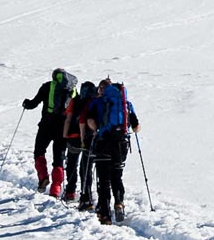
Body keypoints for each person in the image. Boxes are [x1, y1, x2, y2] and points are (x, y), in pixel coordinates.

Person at [86, 75, 140, 223]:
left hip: (103, 142)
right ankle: (119, 202)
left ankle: (105, 214)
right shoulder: (126, 104)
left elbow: (90, 122)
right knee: (117, 175)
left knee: (103, 180)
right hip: (121, 144)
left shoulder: (97, 102)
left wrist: (97, 130)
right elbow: (136, 127)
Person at [20, 68, 76, 196]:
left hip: (46, 124)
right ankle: (55, 188)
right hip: (63, 127)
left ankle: (43, 177)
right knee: (59, 157)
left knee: (39, 151)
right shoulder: (72, 90)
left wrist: (26, 104)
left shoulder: (47, 86)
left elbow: (33, 104)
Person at [64, 79, 98, 209]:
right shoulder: (94, 102)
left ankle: (70, 192)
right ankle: (86, 194)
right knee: (86, 168)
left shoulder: (75, 100)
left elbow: (68, 119)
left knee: (71, 164)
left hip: (73, 137)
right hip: (88, 139)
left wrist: (64, 135)